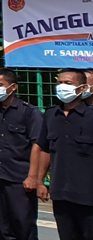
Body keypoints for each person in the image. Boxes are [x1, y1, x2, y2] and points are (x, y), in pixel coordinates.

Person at [0, 68, 40, 240]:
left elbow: (37, 145)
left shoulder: (29, 112)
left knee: (23, 223)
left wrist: (33, 176)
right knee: (1, 224)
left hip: (20, 177)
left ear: (13, 87)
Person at [36, 69, 92, 239]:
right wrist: (39, 181)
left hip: (88, 195)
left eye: (68, 83)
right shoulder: (51, 114)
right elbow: (45, 149)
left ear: (82, 89)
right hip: (61, 194)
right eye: (59, 83)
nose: (62, 87)